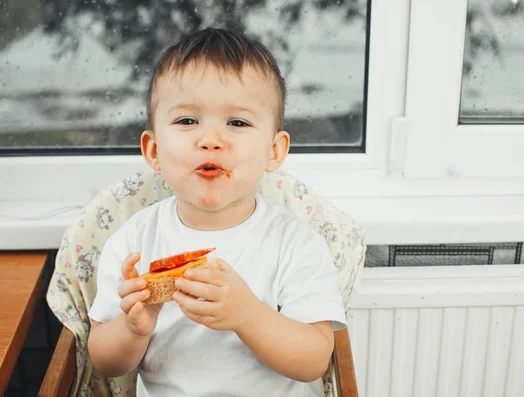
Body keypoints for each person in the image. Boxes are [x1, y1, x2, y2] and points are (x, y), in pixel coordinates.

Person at [87, 27, 346, 397]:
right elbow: (105, 363)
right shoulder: (133, 243)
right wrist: (132, 330)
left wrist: (248, 316)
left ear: (275, 150)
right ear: (154, 149)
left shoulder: (296, 243)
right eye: (187, 121)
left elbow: (314, 361)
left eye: (237, 123)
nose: (210, 139)